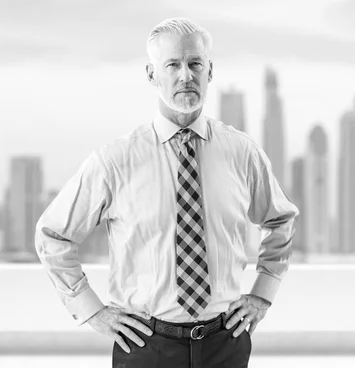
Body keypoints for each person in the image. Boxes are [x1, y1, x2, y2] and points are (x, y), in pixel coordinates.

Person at [34, 17, 299, 368]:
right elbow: (53, 235)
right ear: (151, 74)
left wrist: (262, 295)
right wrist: (91, 310)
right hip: (145, 346)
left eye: (195, 64)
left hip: (226, 344)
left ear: (210, 72)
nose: (186, 75)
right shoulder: (115, 160)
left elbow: (281, 219)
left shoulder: (241, 152)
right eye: (172, 64)